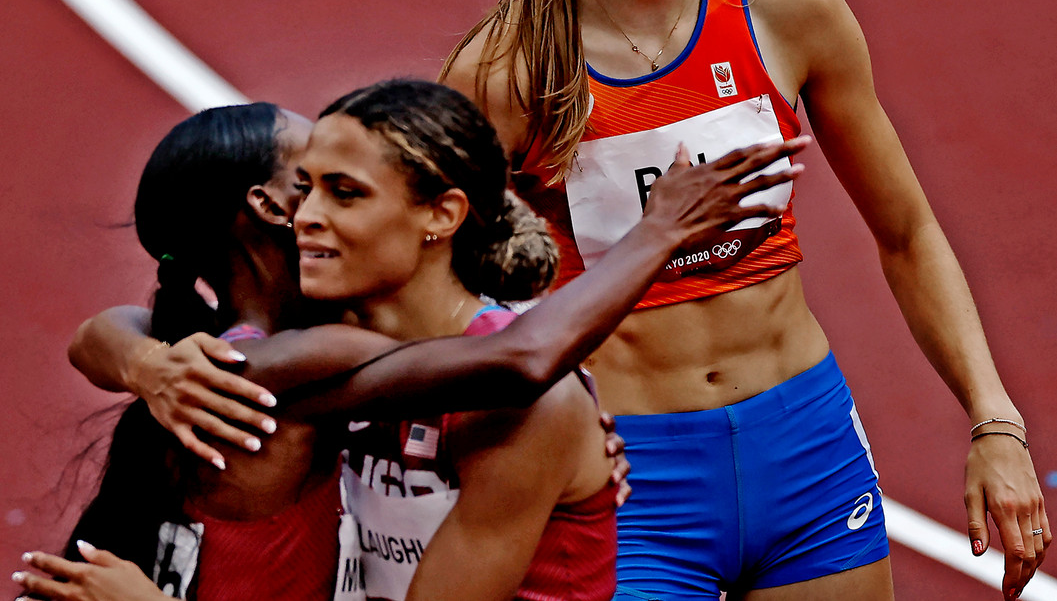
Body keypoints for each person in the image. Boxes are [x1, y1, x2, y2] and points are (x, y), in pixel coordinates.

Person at [440, 0, 1049, 601]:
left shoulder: (789, 7)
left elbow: (907, 231)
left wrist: (995, 423)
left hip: (802, 451)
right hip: (628, 475)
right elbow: (428, 277)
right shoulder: (508, 73)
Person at [14, 83, 806, 601]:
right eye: (310, 185)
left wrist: (138, 359)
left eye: (345, 189)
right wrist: (658, 231)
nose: (316, 212)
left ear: (440, 215)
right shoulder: (277, 367)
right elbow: (519, 361)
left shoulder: (256, 354)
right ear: (268, 208)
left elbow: (525, 368)